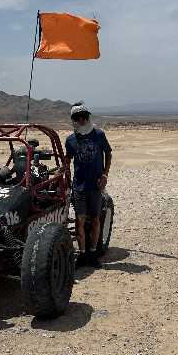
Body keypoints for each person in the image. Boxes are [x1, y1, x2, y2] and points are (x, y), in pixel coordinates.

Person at [64, 101, 112, 268]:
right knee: (80, 220)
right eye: (78, 117)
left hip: (95, 186)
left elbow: (108, 153)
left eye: (84, 116)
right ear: (74, 120)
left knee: (96, 220)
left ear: (88, 117)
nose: (82, 120)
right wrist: (64, 171)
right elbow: (68, 158)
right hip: (79, 186)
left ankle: (93, 253)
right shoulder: (71, 140)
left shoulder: (99, 134)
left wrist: (105, 174)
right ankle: (83, 254)